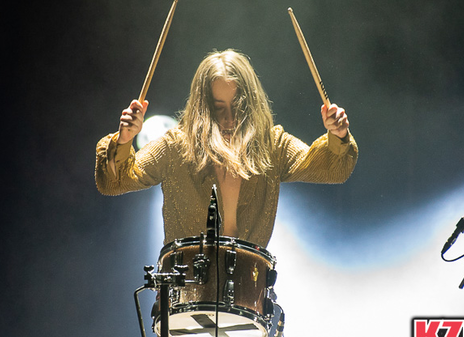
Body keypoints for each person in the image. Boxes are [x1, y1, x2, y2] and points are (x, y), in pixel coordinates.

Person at [95, 49, 358, 248]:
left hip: (247, 299)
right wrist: (124, 140)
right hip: (184, 297)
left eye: (238, 107)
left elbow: (332, 169)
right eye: (218, 109)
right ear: (202, 109)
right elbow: (113, 182)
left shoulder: (272, 146)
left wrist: (338, 135)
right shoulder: (176, 146)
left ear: (251, 104)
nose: (229, 120)